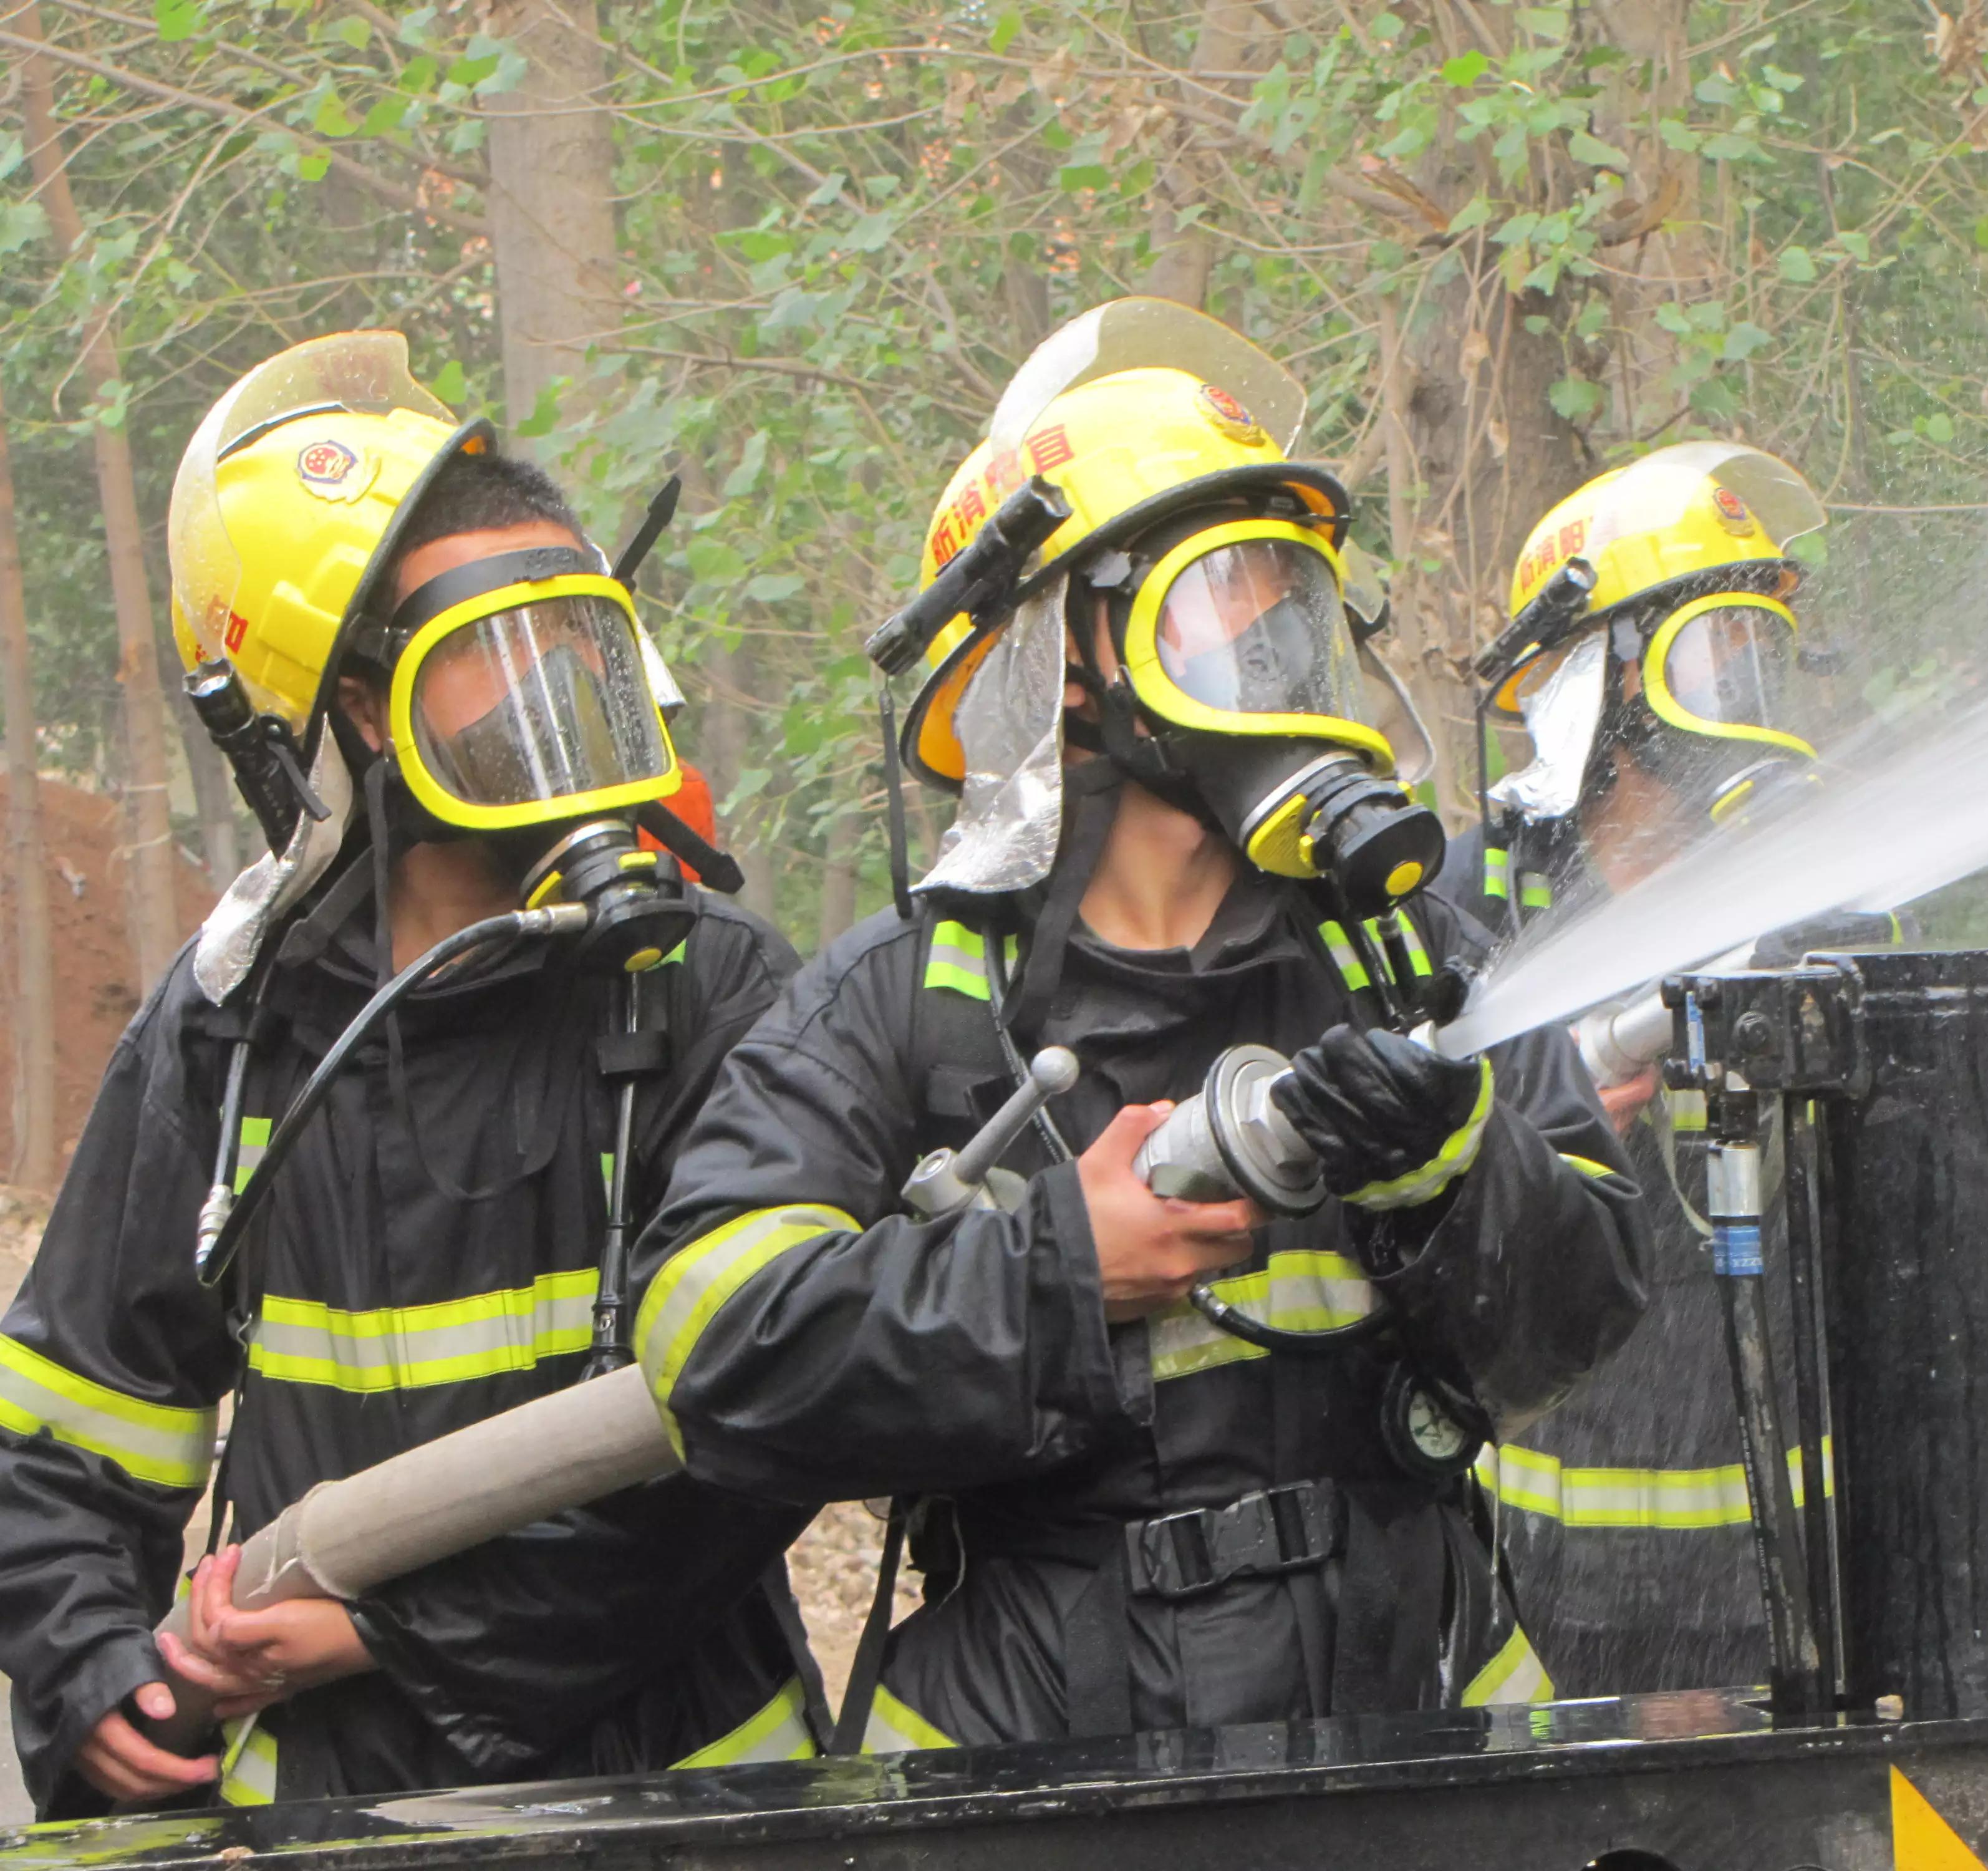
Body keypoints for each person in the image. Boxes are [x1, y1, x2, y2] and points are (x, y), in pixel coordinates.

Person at [629, 299, 1646, 1753]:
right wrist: (1055, 1268)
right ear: (1068, 656)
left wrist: (1457, 1168)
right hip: (1047, 1764)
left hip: (1426, 1746)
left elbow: (1585, 1313)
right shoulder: (904, 1001)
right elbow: (709, 1345)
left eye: (1291, 596)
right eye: (1214, 595)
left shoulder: (1415, 958)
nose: (1274, 642)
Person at [0, 332, 821, 1815]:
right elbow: (74, 1423)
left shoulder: (709, 985)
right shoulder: (230, 1028)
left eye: (575, 650)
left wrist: (386, 1633)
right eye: (487, 667)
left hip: (681, 1800)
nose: (549, 706)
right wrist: (84, 1671)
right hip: (323, 1813)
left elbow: (762, 1446)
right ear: (365, 713)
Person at [1439, 442, 1885, 1697]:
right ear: (1603, 681)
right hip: (1513, 1611)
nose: (1747, 693)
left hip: (1787, 1596)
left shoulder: (1823, 915)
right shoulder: (1457, 917)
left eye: (1763, 653)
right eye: (1714, 653)